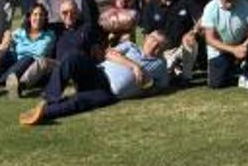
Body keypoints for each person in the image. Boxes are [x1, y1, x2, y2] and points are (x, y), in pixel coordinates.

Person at [18, 33, 169, 125]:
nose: (155, 44)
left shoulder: (160, 64)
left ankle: (44, 113)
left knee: (78, 102)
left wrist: (140, 92)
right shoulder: (130, 46)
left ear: (162, 48)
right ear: (147, 37)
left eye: (159, 44)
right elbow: (109, 54)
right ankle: (49, 98)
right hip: (96, 73)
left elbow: (161, 86)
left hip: (109, 93)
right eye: (153, 38)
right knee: (72, 56)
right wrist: (134, 66)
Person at [0, 3, 55, 100]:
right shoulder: (21, 32)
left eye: (41, 15)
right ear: (29, 17)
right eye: (35, 14)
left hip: (29, 70)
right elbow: (4, 43)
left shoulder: (49, 35)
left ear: (45, 17)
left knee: (27, 58)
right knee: (6, 54)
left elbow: (39, 57)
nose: (38, 18)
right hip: (13, 64)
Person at [139, 0, 200, 86]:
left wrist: (193, 32)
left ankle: (186, 77)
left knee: (191, 41)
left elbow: (200, 18)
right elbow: (146, 35)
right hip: (162, 52)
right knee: (166, 81)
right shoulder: (150, 7)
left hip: (182, 47)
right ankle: (174, 70)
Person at [201, 0, 248, 89]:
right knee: (216, 84)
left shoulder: (245, 4)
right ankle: (235, 70)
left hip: (241, 43)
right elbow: (209, 39)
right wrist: (233, 50)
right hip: (220, 49)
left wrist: (244, 45)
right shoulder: (210, 8)